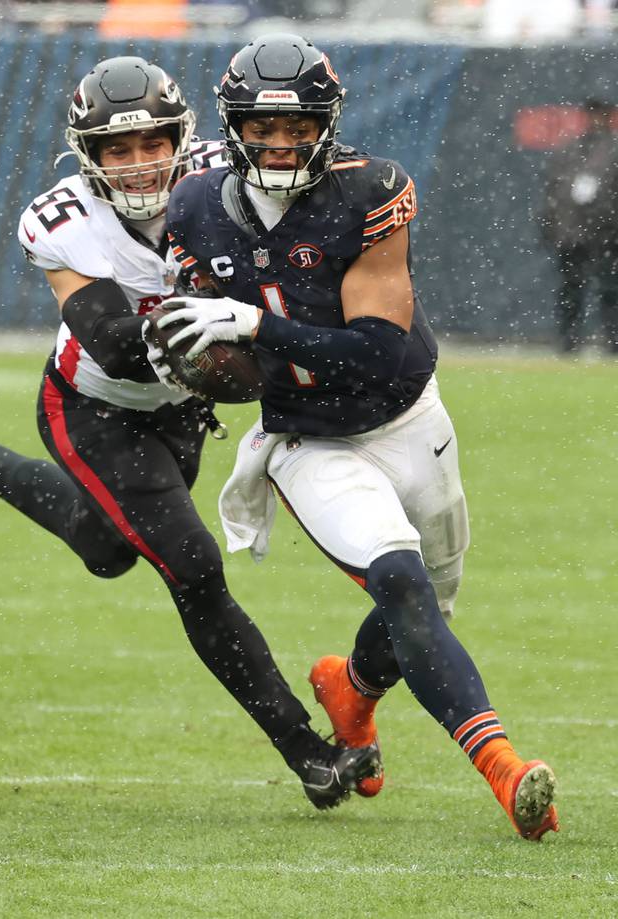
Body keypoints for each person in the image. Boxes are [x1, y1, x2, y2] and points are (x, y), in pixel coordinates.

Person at [0, 56, 379, 810]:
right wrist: (227, 344)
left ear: (184, 138)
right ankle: (305, 748)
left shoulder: (224, 175)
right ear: (88, 156)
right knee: (192, 566)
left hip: (179, 409)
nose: (139, 164)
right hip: (93, 406)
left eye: (152, 143)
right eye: (117, 149)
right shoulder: (61, 222)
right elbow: (113, 341)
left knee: (107, 550)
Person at [158, 33, 558, 839]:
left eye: (297, 127)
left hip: (408, 416)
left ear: (327, 125)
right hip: (310, 443)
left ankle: (352, 688)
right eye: (262, 129)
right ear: (233, 129)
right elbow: (184, 328)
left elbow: (376, 351)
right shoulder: (195, 205)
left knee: (429, 604)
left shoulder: (368, 191)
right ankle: (505, 767)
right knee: (404, 587)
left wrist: (255, 323)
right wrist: (192, 361)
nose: (279, 145)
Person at [540, 97, 618, 353]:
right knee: (571, 290)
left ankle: (613, 342)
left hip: (609, 235)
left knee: (610, 291)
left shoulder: (614, 149)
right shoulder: (570, 150)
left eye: (600, 115)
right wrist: (553, 227)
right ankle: (569, 342)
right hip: (573, 234)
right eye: (591, 114)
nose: (596, 120)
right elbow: (554, 191)